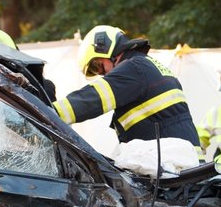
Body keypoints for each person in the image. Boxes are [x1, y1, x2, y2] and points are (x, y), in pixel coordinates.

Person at [53, 25, 199, 146]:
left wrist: (48, 111)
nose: (102, 74)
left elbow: (92, 99)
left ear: (104, 47)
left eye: (97, 66)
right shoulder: (145, 65)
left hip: (174, 164)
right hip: (183, 162)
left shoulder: (133, 68)